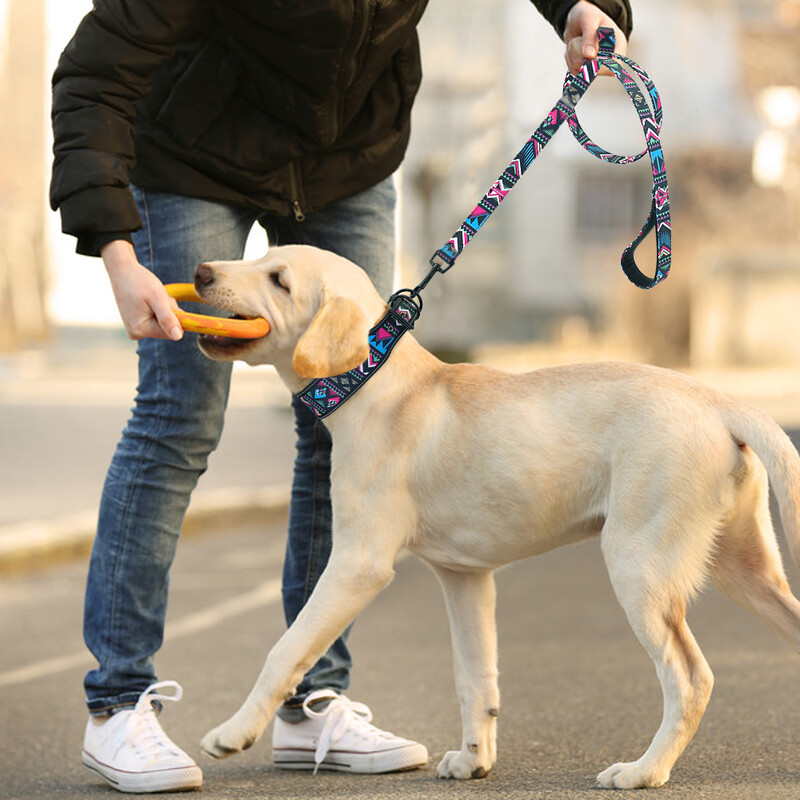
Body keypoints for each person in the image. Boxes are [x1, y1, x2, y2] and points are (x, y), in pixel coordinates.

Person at [50, 0, 633, 793]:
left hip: (346, 157)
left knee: (350, 419)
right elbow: (94, 72)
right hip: (193, 156)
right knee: (179, 414)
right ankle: (117, 706)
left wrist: (583, 6)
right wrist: (118, 255)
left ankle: (311, 700)